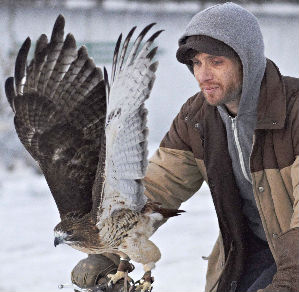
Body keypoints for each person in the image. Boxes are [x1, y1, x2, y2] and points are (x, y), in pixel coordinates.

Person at [71, 2, 299, 292]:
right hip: (248, 250)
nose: (203, 75)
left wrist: (290, 283)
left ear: (248, 61)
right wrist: (105, 250)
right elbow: (157, 187)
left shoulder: (293, 111)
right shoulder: (197, 117)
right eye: (197, 63)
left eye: (216, 62)